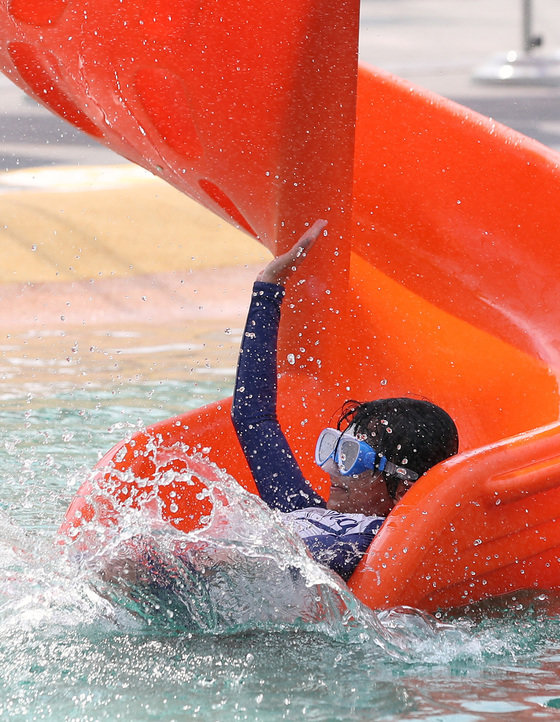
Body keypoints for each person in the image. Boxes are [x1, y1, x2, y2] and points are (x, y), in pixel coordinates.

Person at [231, 220, 459, 581]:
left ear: (404, 485)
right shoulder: (299, 506)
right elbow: (252, 418)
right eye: (337, 448)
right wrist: (268, 288)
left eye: (352, 457)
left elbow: (276, 570)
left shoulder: (371, 542)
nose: (333, 468)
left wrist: (189, 567)